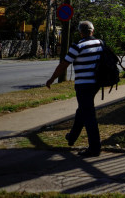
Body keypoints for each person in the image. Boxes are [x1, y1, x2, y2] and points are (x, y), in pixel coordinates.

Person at [46, 21, 103, 157]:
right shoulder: (100, 43)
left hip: (83, 85)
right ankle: (72, 137)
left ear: (80, 32)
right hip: (96, 84)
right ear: (92, 31)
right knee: (83, 110)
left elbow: (63, 65)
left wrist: (52, 79)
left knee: (88, 114)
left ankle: (94, 148)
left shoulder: (77, 46)